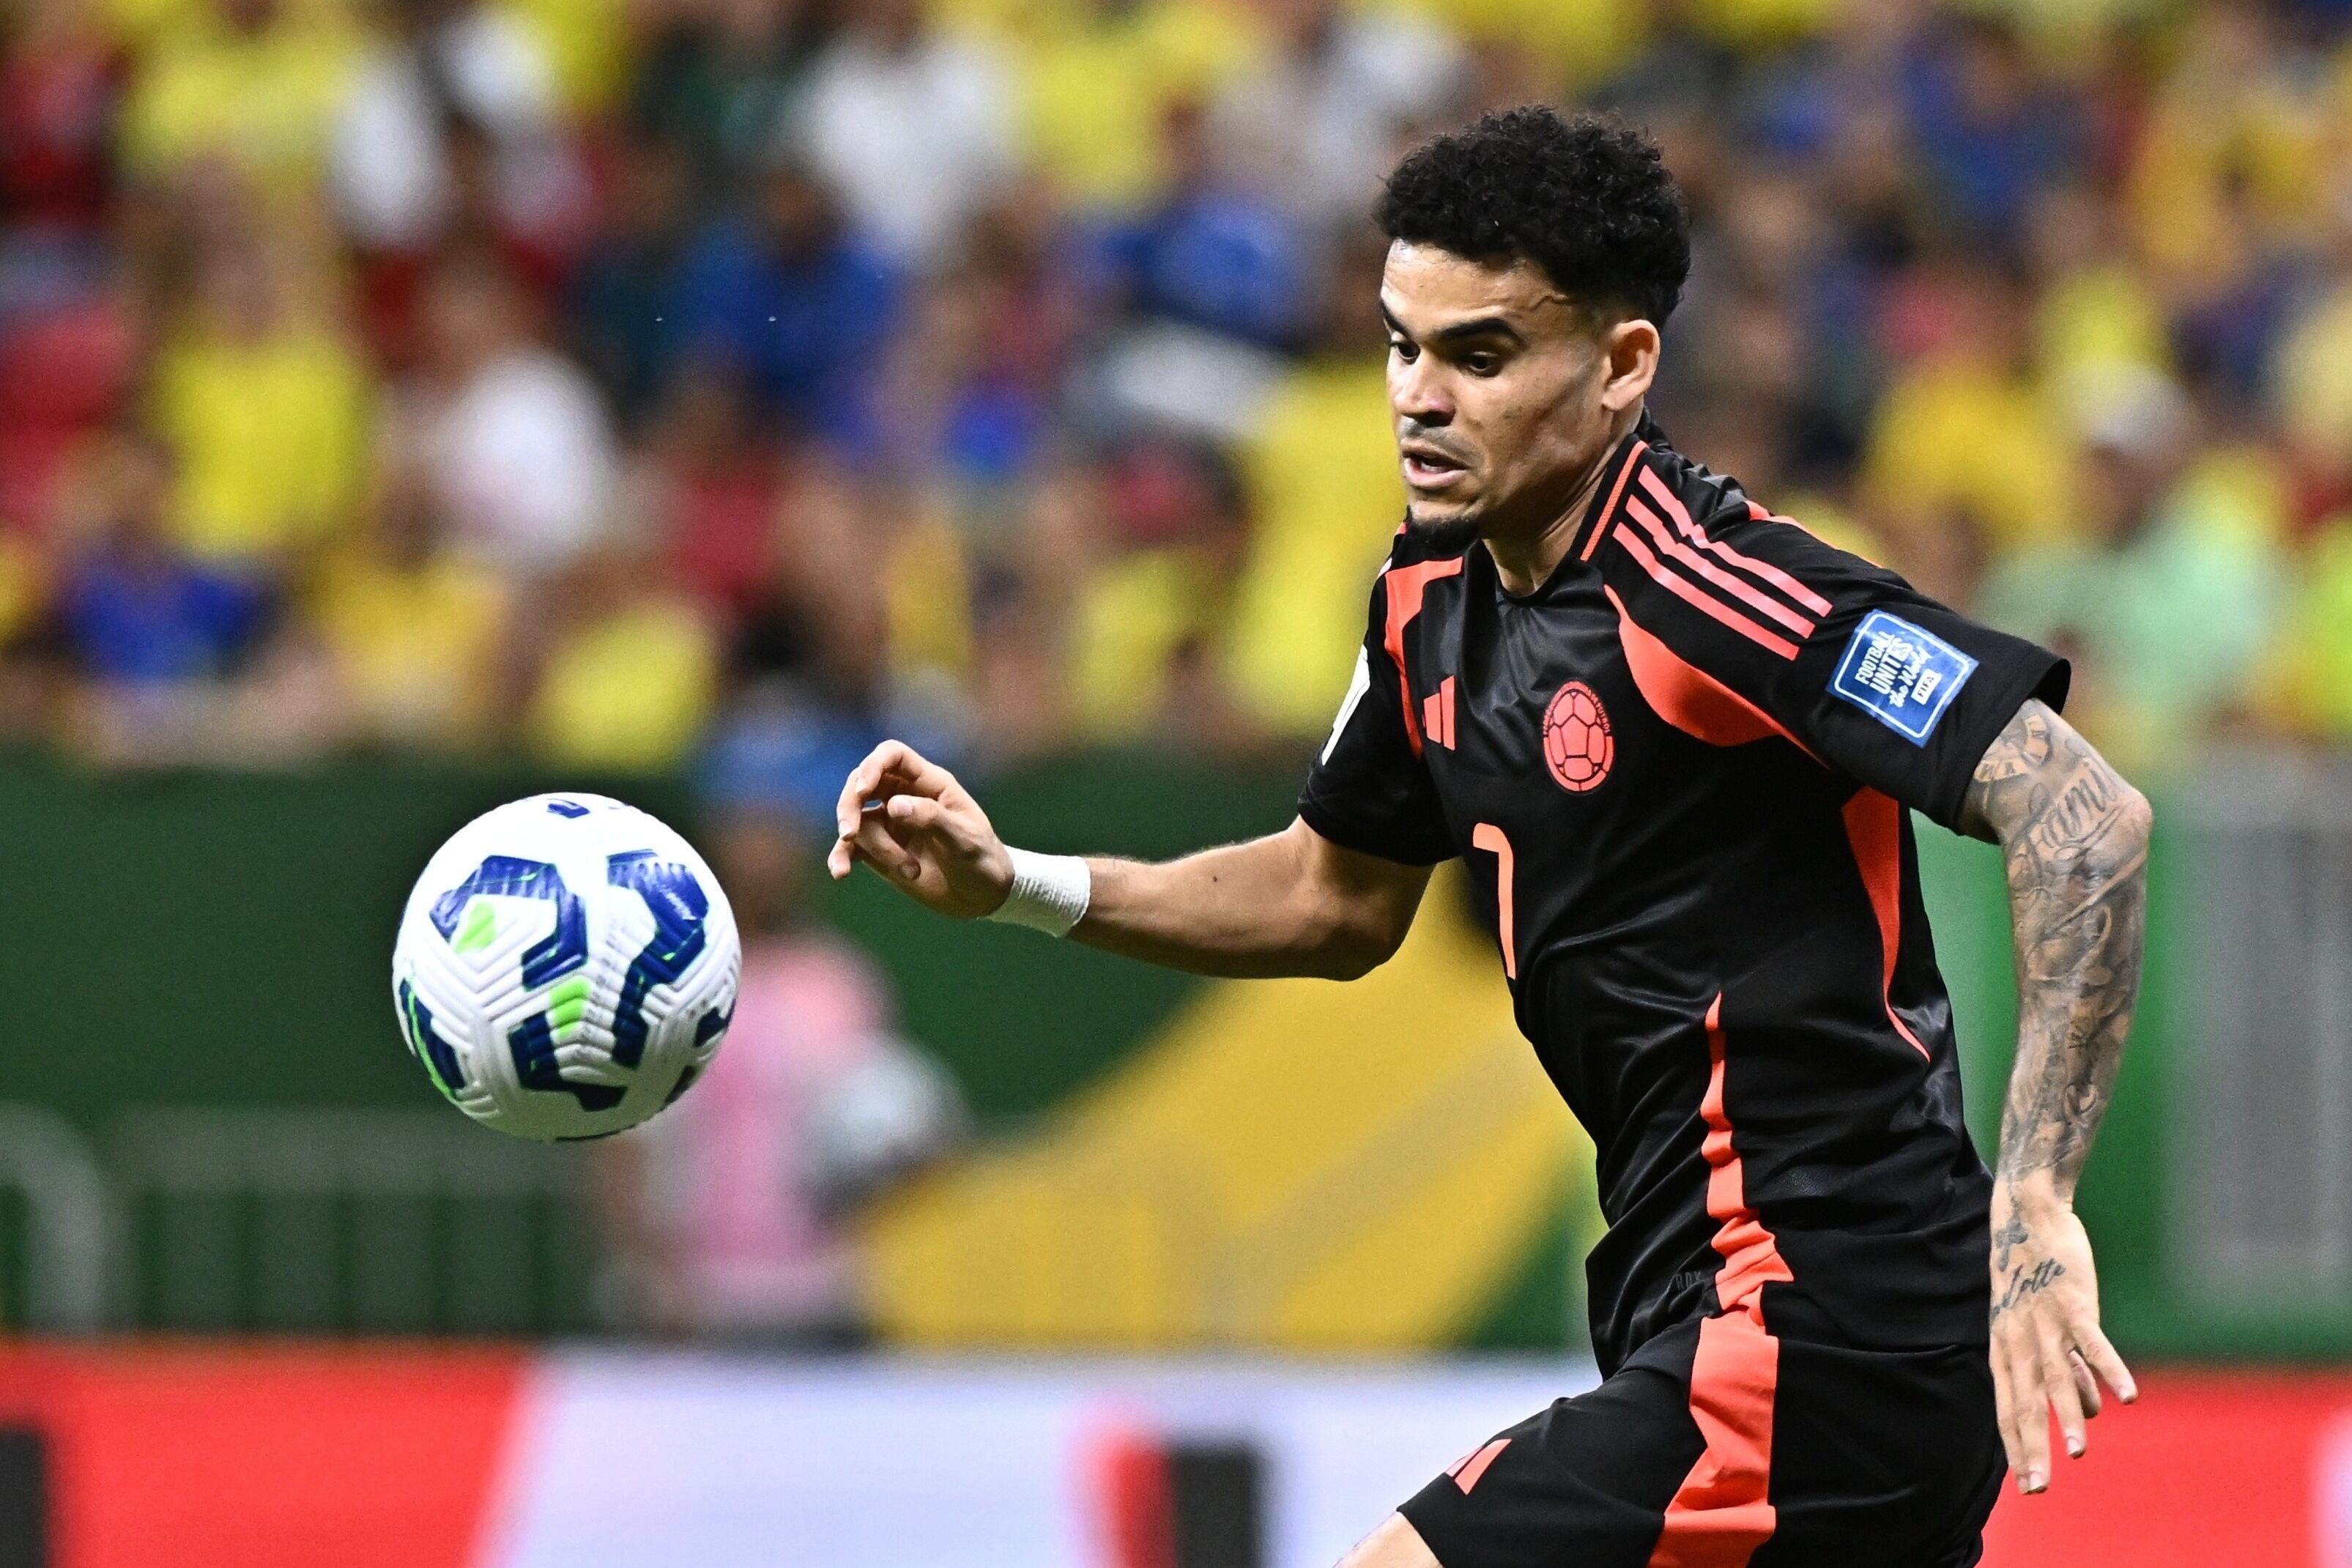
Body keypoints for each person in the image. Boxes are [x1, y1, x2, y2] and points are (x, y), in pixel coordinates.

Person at [828, 107, 2150, 1567]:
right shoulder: (1426, 602)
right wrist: (1018, 884)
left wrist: (2033, 1204)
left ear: (1620, 367)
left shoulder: (1713, 589)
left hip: (1825, 1323)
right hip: (1690, 1308)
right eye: (1402, 345)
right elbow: (1330, 900)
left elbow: (2080, 818)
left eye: (1480, 355)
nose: (1418, 399)